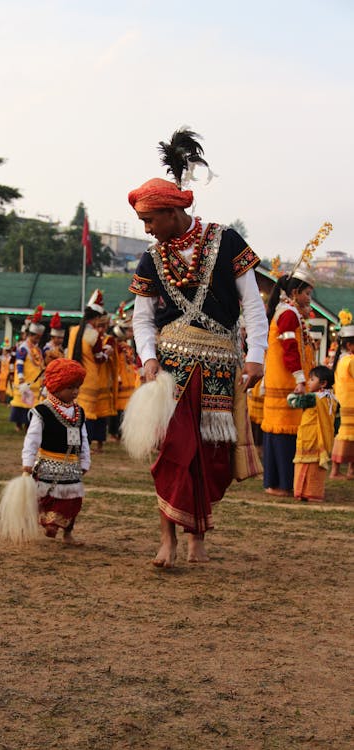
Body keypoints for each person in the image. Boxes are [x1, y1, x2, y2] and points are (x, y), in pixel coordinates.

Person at [128, 128, 268, 567]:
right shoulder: (152, 257)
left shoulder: (226, 241)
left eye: (150, 221)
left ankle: (197, 539)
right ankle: (167, 538)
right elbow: (142, 316)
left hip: (221, 367)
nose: (147, 230)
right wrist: (148, 358)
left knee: (209, 458)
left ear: (171, 212)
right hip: (169, 368)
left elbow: (252, 304)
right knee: (171, 451)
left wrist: (256, 356)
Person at [21, 357, 90, 544]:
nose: (75, 392)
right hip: (47, 468)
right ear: (56, 386)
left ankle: (68, 533)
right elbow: (32, 438)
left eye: (78, 387)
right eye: (70, 387)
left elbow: (83, 438)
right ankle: (50, 524)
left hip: (72, 468)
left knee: (73, 501)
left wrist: (85, 461)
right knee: (48, 499)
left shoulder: (79, 412)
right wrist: (27, 462)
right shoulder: (42, 411)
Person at [261, 271, 316, 496]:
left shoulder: (289, 312)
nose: (309, 299)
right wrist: (300, 379)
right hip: (286, 382)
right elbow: (290, 350)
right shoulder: (289, 314)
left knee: (278, 432)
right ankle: (282, 484)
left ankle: (276, 483)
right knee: (284, 433)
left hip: (283, 380)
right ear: (295, 292)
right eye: (307, 294)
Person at [67, 290, 115, 451]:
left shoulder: (73, 331)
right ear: (95, 318)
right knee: (89, 415)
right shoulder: (93, 334)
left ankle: (73, 443)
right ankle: (85, 446)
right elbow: (99, 358)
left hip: (73, 377)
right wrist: (108, 352)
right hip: (90, 378)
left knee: (74, 413)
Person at [287, 365, 337, 502]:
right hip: (323, 439)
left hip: (309, 438)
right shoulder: (332, 399)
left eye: (312, 379)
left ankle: (302, 492)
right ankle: (313, 493)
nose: (308, 382)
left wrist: (293, 394)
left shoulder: (313, 398)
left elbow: (293, 402)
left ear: (323, 383)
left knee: (305, 465)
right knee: (316, 468)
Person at [10, 306, 45, 431]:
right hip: (24, 380)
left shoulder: (37, 349)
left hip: (35, 383)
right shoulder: (23, 348)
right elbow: (19, 363)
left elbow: (41, 365)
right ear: (31, 335)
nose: (37, 340)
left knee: (32, 405)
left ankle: (28, 425)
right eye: (36, 337)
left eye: (39, 338)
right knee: (21, 404)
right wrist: (20, 377)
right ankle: (18, 424)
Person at [330, 316, 354, 479]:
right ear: (350, 345)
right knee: (346, 436)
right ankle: (337, 470)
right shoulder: (351, 360)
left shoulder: (342, 359)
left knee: (347, 435)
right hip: (351, 402)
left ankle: (348, 470)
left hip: (345, 401)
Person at [108, 305, 137, 440]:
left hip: (130, 377)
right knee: (119, 407)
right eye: (128, 330)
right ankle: (115, 432)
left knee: (127, 407)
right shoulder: (116, 345)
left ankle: (122, 432)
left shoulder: (127, 346)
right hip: (120, 378)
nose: (131, 332)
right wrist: (118, 377)